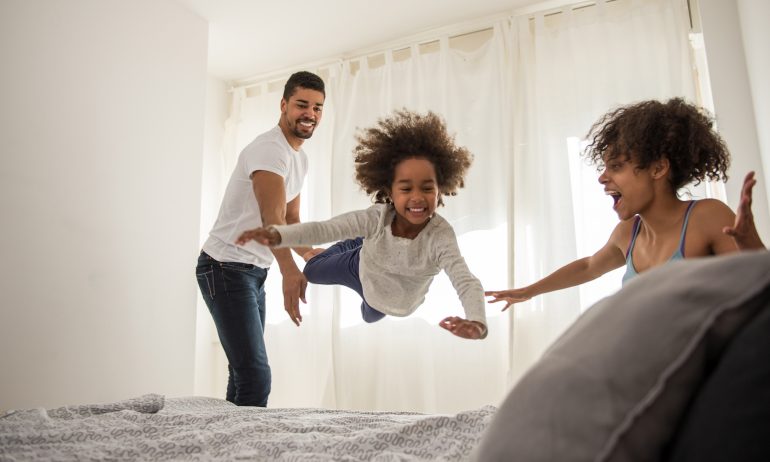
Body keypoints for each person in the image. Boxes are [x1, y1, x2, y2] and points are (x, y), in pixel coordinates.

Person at [486, 98, 766, 310]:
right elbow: (588, 267)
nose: (602, 177)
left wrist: (750, 243)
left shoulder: (707, 217)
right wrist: (529, 291)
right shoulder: (628, 233)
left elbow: (761, 292)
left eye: (617, 166)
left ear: (658, 168)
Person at [236, 109, 488, 340]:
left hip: (392, 302)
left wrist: (477, 322)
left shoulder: (440, 236)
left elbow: (465, 280)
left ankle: (361, 242)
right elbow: (326, 229)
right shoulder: (378, 218)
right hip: (360, 268)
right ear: (389, 191)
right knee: (311, 271)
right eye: (405, 188)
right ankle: (358, 243)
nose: (417, 197)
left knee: (370, 314)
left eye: (427, 188)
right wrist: (278, 235)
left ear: (440, 190)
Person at [196, 71, 325, 407]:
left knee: (243, 373)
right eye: (301, 105)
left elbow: (291, 219)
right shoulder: (270, 150)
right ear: (283, 105)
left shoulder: (300, 158)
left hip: (252, 271)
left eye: (317, 107)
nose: (310, 114)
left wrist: (311, 254)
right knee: (255, 376)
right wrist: (289, 271)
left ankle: (227, 434)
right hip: (225, 266)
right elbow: (273, 219)